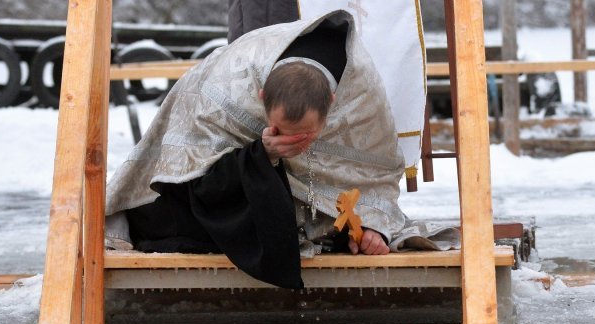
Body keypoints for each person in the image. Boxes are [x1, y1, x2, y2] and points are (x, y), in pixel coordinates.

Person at [105, 10, 408, 288]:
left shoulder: (362, 95)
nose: (293, 144)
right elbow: (193, 168)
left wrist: (374, 228)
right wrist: (263, 153)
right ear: (261, 96)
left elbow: (377, 175)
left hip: (309, 204)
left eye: (304, 135)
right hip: (225, 182)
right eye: (279, 131)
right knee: (174, 221)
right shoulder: (234, 80)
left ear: (331, 105)